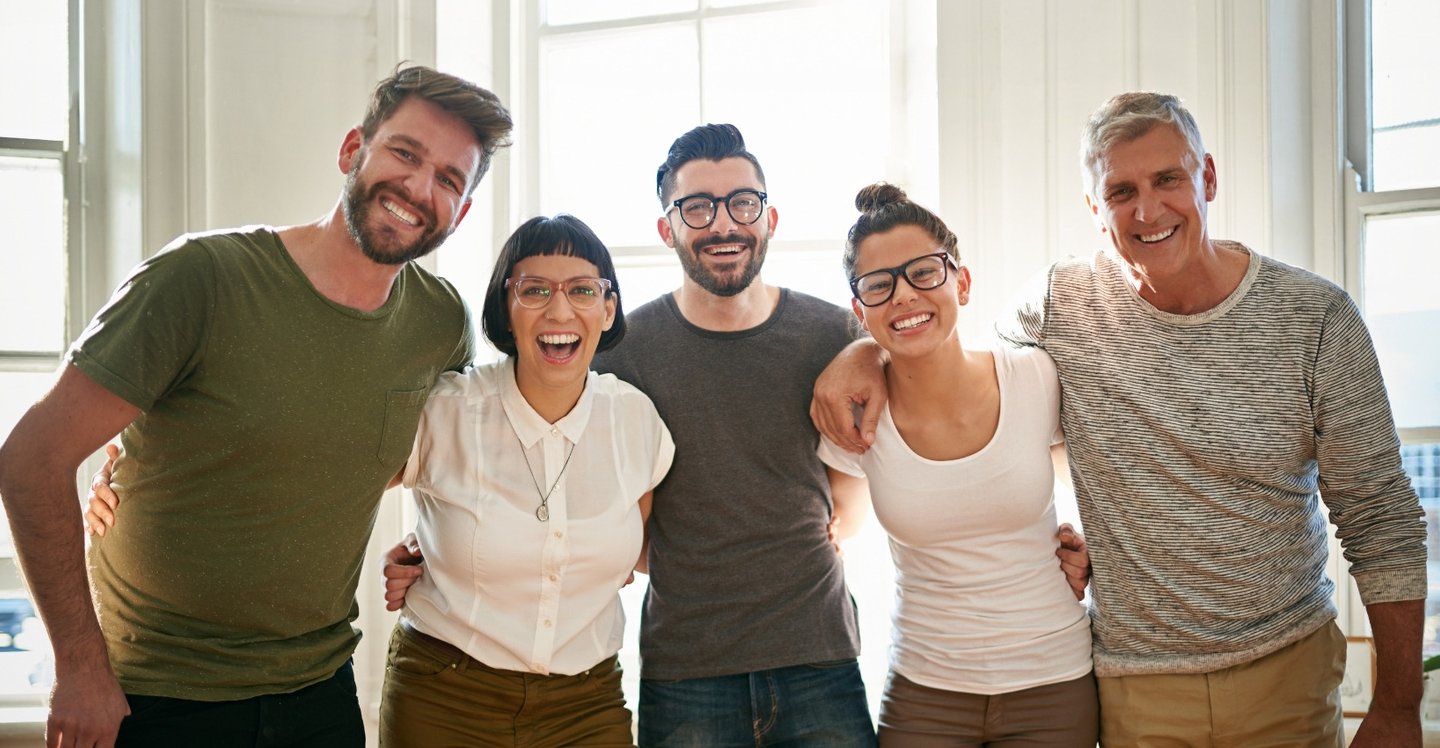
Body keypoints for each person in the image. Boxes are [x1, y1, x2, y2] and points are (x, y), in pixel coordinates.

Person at [811, 91, 1427, 747]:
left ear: (1208, 177)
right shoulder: (1058, 306)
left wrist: (1396, 707)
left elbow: (1381, 517)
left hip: (1286, 674)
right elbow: (941, 352)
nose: (1148, 209)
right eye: (1121, 190)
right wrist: (864, 350)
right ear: (1094, 209)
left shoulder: (1316, 319)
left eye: (1168, 180)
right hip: (1136, 689)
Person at [0, 65, 512, 748]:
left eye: (449, 179)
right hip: (155, 695)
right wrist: (78, 668)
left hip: (320, 696)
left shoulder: (439, 322)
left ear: (463, 211)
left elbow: (388, 455)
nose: (419, 189)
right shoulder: (202, 280)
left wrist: (428, 547)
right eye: (404, 153)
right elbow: (32, 458)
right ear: (352, 149)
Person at [591, 123, 879, 746]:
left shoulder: (833, 335)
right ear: (667, 229)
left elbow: (853, 489)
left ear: (769, 216)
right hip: (687, 668)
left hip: (819, 655)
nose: (723, 224)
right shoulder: (624, 354)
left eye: (741, 203)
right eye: (697, 207)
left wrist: (870, 349)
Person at [375, 214, 673, 746]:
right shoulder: (448, 410)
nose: (560, 310)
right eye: (534, 290)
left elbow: (631, 556)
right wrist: (425, 548)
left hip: (587, 703)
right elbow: (329, 488)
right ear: (504, 310)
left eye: (583, 289)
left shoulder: (636, 420)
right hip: (445, 695)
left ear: (608, 311)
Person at [819, 182, 1097, 746]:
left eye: (923, 272)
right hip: (924, 691)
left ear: (960, 282)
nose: (903, 296)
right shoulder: (855, 419)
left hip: (1053, 680)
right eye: (879, 285)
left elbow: (1103, 491)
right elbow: (833, 533)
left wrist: (1097, 553)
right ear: (860, 309)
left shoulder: (1035, 378)